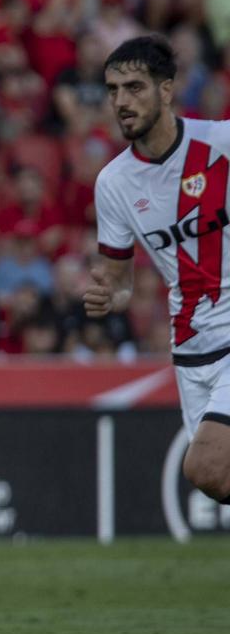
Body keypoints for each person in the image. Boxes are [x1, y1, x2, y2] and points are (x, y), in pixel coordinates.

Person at [86, 35, 230, 501]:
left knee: (204, 464)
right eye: (113, 90)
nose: (121, 102)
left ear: (166, 90)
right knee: (218, 479)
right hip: (190, 347)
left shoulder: (222, 144)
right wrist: (111, 296)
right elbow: (121, 281)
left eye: (134, 87)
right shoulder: (113, 183)